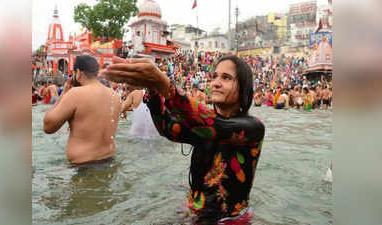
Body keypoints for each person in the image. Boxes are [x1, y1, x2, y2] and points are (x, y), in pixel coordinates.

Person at [104, 55, 265, 224]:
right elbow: (167, 128)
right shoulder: (203, 128)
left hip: (231, 220)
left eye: (226, 78)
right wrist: (152, 90)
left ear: (244, 88)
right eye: (214, 76)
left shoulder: (253, 128)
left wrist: (162, 83)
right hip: (194, 213)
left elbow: (214, 125)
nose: (216, 83)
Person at [43, 55, 121, 164]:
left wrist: (64, 94)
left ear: (78, 72)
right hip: (110, 161)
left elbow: (48, 126)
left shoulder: (75, 93)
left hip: (83, 167)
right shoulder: (115, 96)